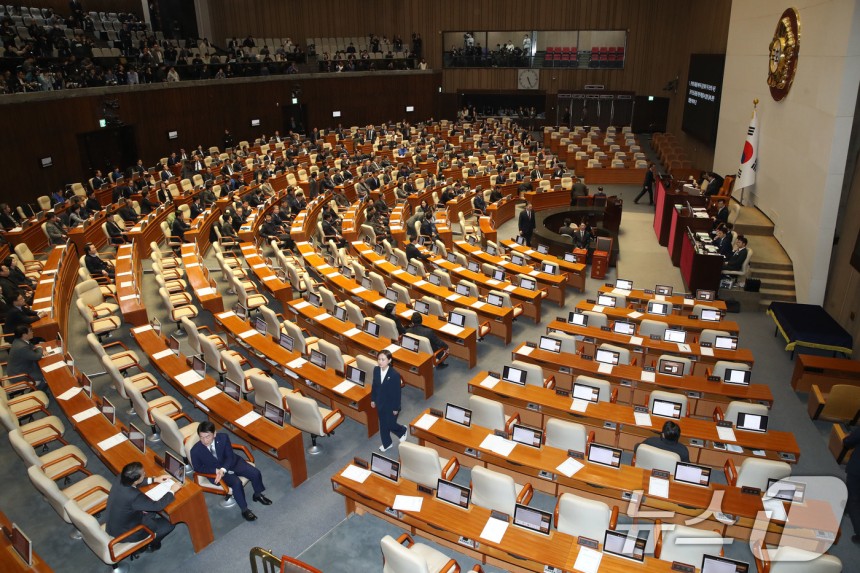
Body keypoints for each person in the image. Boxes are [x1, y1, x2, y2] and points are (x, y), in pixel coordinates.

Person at [189, 421, 271, 521]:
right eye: (201, 437)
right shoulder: (195, 450)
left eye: (207, 437)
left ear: (214, 434)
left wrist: (223, 469)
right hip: (215, 472)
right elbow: (197, 468)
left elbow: (230, 456)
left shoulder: (223, 437)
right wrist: (215, 470)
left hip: (232, 463)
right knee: (237, 483)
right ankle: (244, 510)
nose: (204, 440)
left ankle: (257, 495)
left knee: (255, 473)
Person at [105, 462, 180, 552]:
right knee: (169, 524)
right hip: (128, 533)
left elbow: (135, 483)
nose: (145, 474)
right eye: (143, 474)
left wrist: (155, 479)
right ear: (136, 480)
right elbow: (157, 506)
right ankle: (150, 544)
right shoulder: (133, 496)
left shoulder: (121, 477)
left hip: (114, 524)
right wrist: (172, 491)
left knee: (150, 512)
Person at [371, 349, 407, 452]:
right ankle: (387, 443)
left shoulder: (395, 375)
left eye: (383, 359)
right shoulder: (376, 370)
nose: (380, 362)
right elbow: (374, 386)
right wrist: (373, 399)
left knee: (390, 424)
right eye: (379, 359)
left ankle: (402, 430)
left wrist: (396, 408)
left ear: (389, 360)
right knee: (383, 424)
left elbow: (397, 393)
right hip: (380, 402)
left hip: (391, 404)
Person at [841, 426, 860, 542]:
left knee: (854, 499)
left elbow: (849, 441)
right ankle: (847, 508)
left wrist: (846, 440)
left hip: (857, 469)